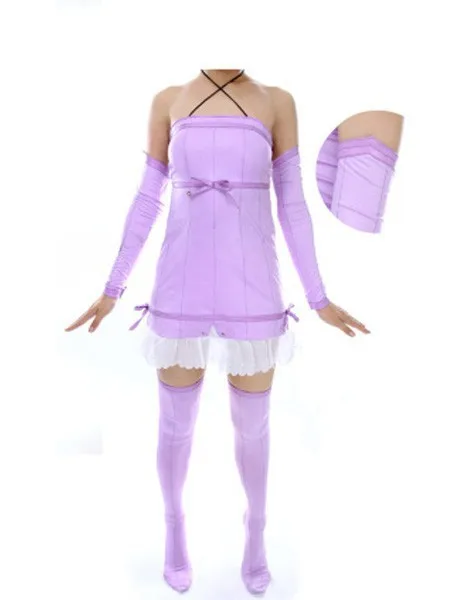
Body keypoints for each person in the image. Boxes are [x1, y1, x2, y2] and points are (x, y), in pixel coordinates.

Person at [65, 69, 370, 595]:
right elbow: (147, 197)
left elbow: (292, 203)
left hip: (253, 283)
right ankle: (174, 529)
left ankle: (256, 531)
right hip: (180, 280)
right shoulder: (168, 99)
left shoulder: (277, 101)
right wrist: (112, 288)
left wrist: (318, 297)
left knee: (253, 427)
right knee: (174, 425)